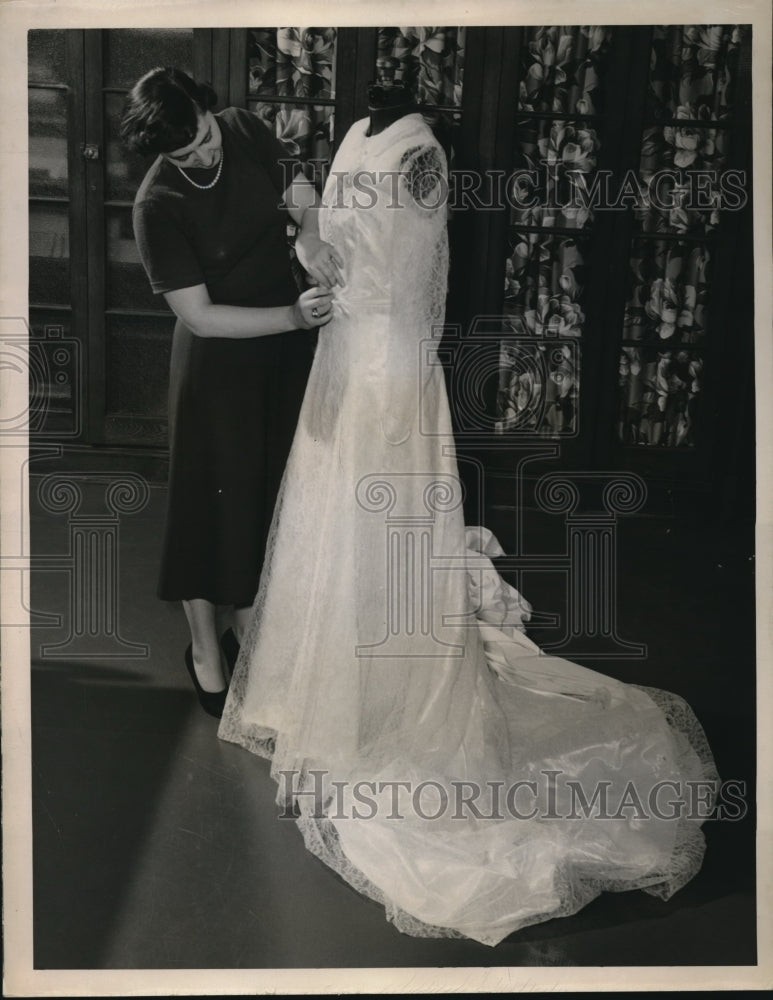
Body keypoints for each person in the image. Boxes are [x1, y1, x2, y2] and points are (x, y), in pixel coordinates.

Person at [218, 81, 719, 945]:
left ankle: (382, 712)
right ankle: (330, 695)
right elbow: (333, 248)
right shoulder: (354, 136)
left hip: (383, 366)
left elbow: (397, 276)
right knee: (331, 538)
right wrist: (307, 224)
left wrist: (309, 230)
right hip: (342, 357)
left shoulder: (415, 155)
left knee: (377, 537)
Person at [122, 68, 342, 716]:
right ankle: (204, 650)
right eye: (184, 154)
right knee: (208, 510)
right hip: (218, 362)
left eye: (204, 136)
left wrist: (309, 236)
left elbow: (302, 200)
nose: (204, 155)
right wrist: (291, 318)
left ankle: (248, 625)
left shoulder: (244, 129)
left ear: (209, 110)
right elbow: (198, 316)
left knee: (265, 496)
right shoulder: (155, 205)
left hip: (282, 346)